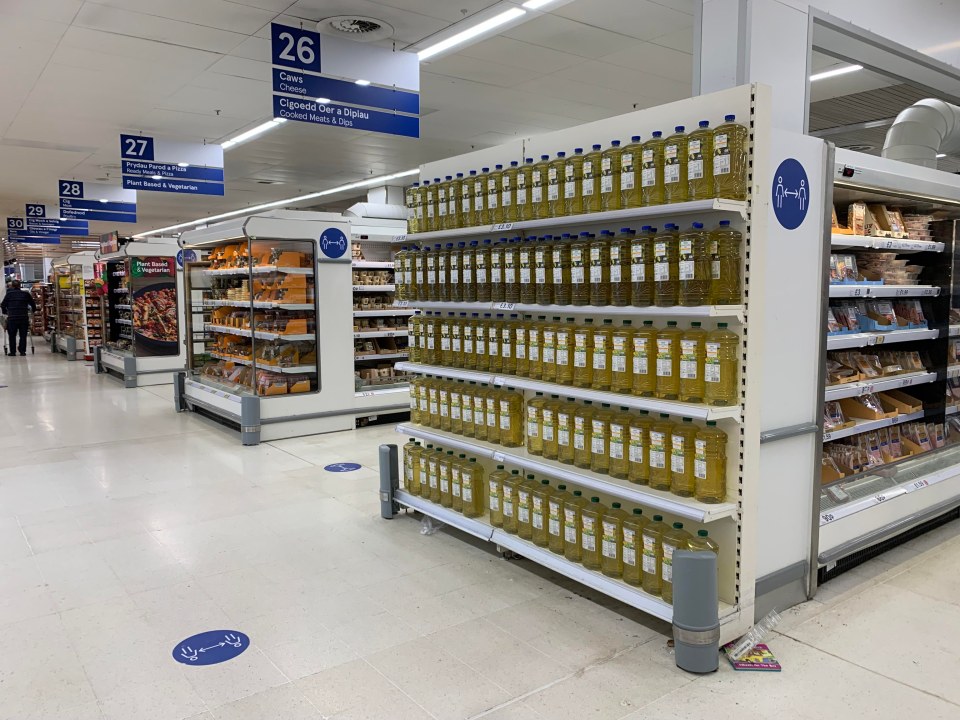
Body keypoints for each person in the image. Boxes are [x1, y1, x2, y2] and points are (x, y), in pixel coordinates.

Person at [1, 279, 36, 356]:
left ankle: (13, 352)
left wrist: (5, 312)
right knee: (23, 335)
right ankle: (22, 351)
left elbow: (3, 305)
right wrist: (33, 312)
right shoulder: (25, 294)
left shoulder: (9, 295)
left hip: (12, 318)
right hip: (23, 317)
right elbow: (33, 304)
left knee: (12, 335)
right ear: (20, 286)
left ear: (12, 286)